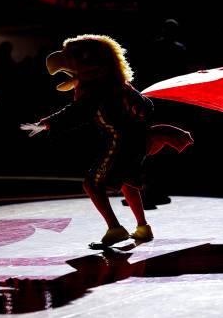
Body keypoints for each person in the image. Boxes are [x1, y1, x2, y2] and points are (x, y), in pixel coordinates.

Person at [21, 35, 192, 246]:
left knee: (92, 183)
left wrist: (48, 122)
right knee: (128, 182)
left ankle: (115, 228)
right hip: (134, 139)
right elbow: (146, 105)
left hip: (120, 140)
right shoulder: (118, 84)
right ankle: (143, 227)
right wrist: (138, 111)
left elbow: (78, 111)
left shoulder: (97, 88)